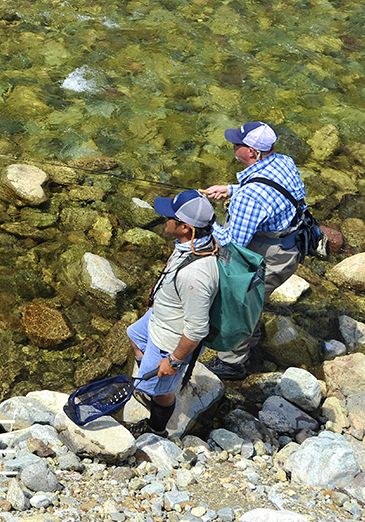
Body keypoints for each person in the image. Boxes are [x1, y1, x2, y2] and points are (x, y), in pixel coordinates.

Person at [201, 121, 306, 380]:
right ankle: (253, 335)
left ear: (252, 152)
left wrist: (205, 220)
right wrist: (231, 190)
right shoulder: (284, 161)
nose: (233, 147)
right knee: (254, 297)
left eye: (237, 144)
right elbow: (272, 190)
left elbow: (232, 244)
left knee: (238, 300)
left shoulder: (250, 197)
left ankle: (232, 363)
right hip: (290, 246)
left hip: (272, 256)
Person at [127, 190, 220, 436]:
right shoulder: (197, 241)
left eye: (169, 217)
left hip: (168, 340)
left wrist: (174, 360)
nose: (164, 219)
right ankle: (150, 380)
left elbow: (197, 329)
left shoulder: (195, 275)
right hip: (160, 317)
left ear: (185, 228)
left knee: (163, 392)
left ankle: (156, 428)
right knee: (134, 334)